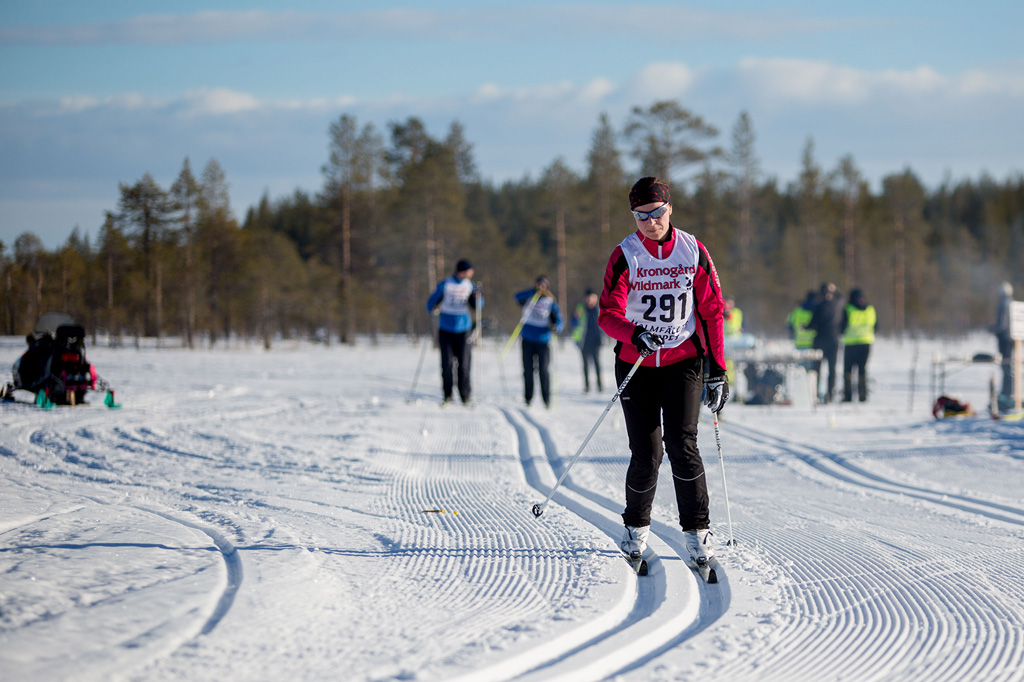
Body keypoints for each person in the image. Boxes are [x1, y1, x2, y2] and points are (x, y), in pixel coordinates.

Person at [598, 176, 728, 570]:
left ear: (669, 208)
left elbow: (711, 310)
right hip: (637, 363)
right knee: (647, 452)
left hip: (682, 360)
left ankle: (698, 531)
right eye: (641, 216)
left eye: (655, 213)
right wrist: (635, 333)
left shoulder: (692, 250)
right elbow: (608, 315)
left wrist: (717, 368)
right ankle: (635, 528)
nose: (649, 222)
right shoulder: (626, 254)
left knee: (683, 445)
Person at [425, 259, 481, 406]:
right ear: (463, 271)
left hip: (464, 330)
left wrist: (477, 297)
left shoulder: (470, 286)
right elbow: (431, 303)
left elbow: (478, 306)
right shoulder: (446, 284)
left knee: (464, 364)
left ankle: (465, 395)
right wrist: (433, 307)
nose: (472, 273)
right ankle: (447, 395)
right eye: (470, 270)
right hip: (446, 329)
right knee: (447, 364)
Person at [514, 276, 563, 407]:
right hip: (528, 339)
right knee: (528, 370)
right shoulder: (529, 297)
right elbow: (517, 297)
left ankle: (546, 399)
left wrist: (556, 327)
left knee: (544, 370)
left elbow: (559, 319)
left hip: (543, 341)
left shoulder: (550, 301)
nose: (541, 287)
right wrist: (532, 291)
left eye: (543, 285)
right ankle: (528, 398)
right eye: (538, 284)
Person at [809, 282, 844, 403]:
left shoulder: (817, 307)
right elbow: (842, 298)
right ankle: (830, 394)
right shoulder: (836, 305)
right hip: (833, 341)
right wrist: (836, 289)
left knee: (817, 370)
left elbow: (812, 325)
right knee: (831, 369)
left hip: (819, 341)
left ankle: (816, 394)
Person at [841, 288, 877, 402]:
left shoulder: (848, 309)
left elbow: (842, 326)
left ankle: (848, 395)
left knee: (848, 371)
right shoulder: (870, 309)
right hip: (866, 343)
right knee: (862, 370)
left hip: (851, 344)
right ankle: (863, 395)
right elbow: (876, 326)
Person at [570, 288, 604, 392]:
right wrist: (575, 317)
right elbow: (573, 323)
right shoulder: (580, 309)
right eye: (588, 298)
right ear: (585, 299)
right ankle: (587, 386)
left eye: (592, 298)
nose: (590, 300)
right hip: (583, 341)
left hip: (596, 341)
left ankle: (599, 385)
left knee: (597, 363)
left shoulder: (599, 309)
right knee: (585, 365)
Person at [993, 282, 1015, 398]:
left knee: (1006, 365)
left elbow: (1002, 324)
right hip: (1011, 339)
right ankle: (1008, 391)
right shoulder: (1012, 302)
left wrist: (993, 329)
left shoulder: (1004, 304)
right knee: (1008, 365)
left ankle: (1006, 393)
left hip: (1005, 339)